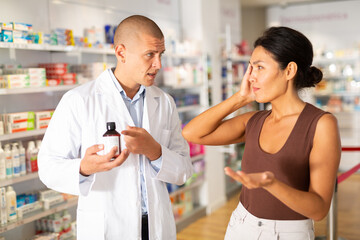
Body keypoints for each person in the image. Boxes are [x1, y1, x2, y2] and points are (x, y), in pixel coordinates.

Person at [38, 15, 193, 240]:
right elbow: (48, 167)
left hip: (156, 225)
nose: (158, 64)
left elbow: (184, 170)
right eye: (150, 54)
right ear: (121, 53)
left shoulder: (164, 102)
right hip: (108, 227)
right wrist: (84, 167)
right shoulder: (79, 100)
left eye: (161, 55)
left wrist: (155, 151)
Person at [182, 26, 341, 240]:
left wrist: (272, 184)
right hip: (240, 226)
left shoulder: (321, 124)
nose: (250, 78)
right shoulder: (254, 121)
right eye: (250, 68)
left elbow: (319, 209)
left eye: (259, 68)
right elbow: (192, 133)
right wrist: (240, 98)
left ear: (289, 71)